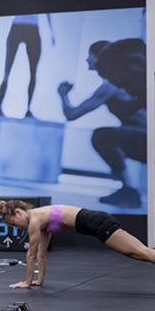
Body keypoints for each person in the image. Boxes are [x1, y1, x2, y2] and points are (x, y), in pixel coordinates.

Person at [58, 39, 145, 208]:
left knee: (102, 136)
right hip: (140, 139)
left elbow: (72, 114)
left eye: (90, 55)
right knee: (109, 137)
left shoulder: (111, 86)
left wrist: (62, 94)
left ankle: (128, 190)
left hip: (146, 140)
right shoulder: (115, 84)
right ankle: (128, 191)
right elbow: (72, 115)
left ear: (101, 59)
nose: (87, 60)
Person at [0, 200, 155, 288]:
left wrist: (27, 283)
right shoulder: (41, 220)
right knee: (138, 254)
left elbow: (31, 254)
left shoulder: (35, 219)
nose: (17, 228)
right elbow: (41, 254)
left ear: (19, 212)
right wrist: (39, 280)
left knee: (142, 252)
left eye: (14, 223)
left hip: (98, 222)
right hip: (97, 223)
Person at [0, 14, 54, 118]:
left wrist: (51, 32)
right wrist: (51, 32)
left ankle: (27, 109)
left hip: (26, 27)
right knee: (8, 71)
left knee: (30, 72)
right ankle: (0, 107)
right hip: (22, 27)